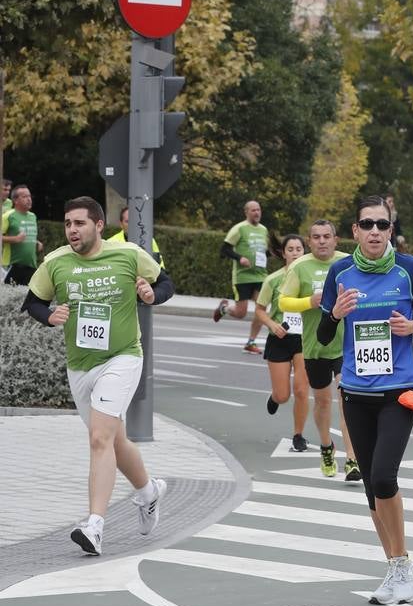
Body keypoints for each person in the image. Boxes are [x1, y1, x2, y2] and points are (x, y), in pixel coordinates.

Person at [20, 197, 175, 555]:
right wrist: (49, 315)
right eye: (68, 224)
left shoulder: (130, 255)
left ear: (99, 225)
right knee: (113, 442)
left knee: (99, 440)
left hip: (122, 358)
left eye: (79, 223)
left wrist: (152, 295)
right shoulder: (56, 262)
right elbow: (32, 302)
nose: (72, 230)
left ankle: (94, 526)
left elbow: (166, 283)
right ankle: (149, 492)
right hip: (80, 366)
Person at [318, 196, 413, 606]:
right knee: (372, 486)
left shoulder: (409, 269)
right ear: (354, 230)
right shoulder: (340, 271)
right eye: (367, 224)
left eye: (382, 225)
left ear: (391, 230)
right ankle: (394, 567)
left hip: (399, 391)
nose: (374, 231)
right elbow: (321, 337)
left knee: (385, 476)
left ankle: (404, 565)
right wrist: (334, 314)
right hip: (355, 393)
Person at [277, 220, 360, 480]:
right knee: (323, 401)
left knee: (347, 399)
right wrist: (309, 301)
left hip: (346, 345)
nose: (322, 241)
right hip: (315, 346)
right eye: (316, 237)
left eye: (327, 236)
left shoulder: (350, 262)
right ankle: (326, 445)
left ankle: (352, 458)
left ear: (336, 240)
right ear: (309, 242)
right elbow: (283, 301)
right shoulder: (300, 266)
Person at [255, 234, 311, 453]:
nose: (295, 253)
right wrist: (271, 324)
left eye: (299, 249)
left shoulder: (310, 276)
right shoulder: (274, 280)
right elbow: (259, 310)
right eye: (291, 249)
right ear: (283, 253)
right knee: (283, 395)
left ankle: (298, 435)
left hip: (304, 339)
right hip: (279, 337)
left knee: (302, 389)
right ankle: (275, 397)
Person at [212, 199, 270, 353]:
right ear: (246, 212)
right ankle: (224, 308)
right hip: (242, 277)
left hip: (260, 276)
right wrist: (240, 258)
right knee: (241, 313)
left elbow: (265, 251)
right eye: (253, 210)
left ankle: (251, 342)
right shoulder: (239, 229)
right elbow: (224, 250)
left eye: (258, 209)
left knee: (261, 309)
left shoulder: (264, 230)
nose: (257, 213)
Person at [2, 184, 42, 286]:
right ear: (15, 200)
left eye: (29, 196)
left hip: (31, 265)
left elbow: (27, 236)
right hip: (12, 265)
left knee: (25, 299)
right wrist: (15, 239)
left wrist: (36, 242)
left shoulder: (33, 216)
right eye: (24, 197)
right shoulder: (8, 216)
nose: (29, 199)